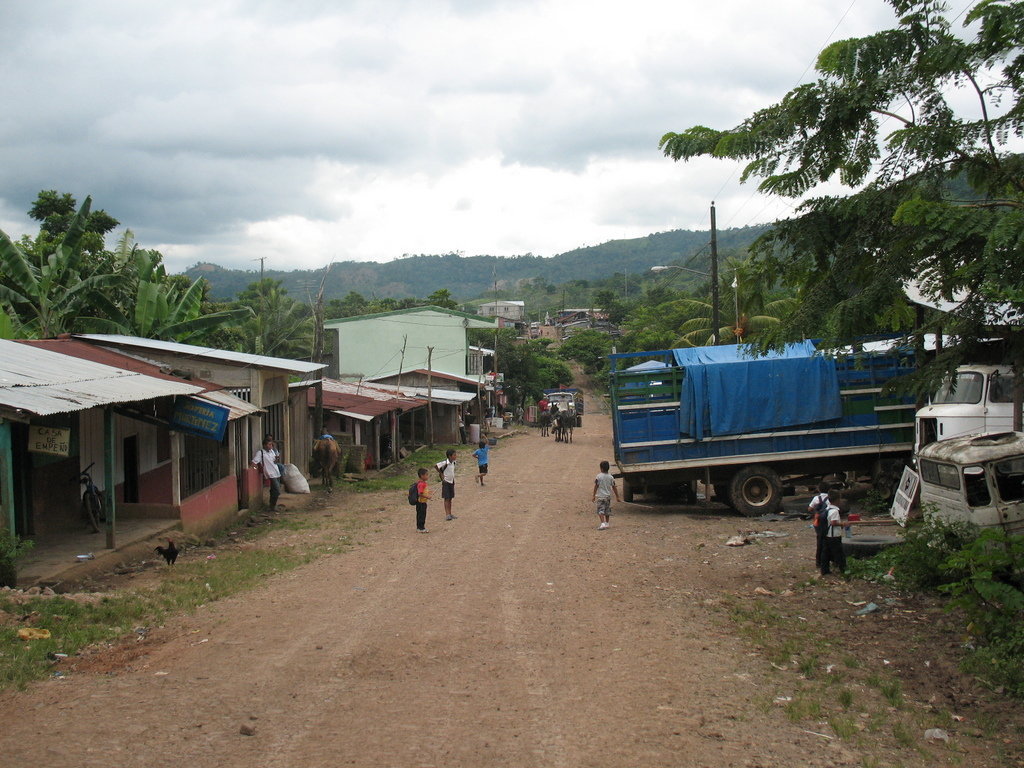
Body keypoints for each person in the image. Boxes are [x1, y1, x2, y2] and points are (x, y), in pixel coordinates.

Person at [820, 490, 848, 576]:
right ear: (837, 500)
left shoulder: (827, 508)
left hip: (827, 535)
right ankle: (843, 569)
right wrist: (842, 524)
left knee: (826, 553)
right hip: (834, 535)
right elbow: (833, 522)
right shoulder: (835, 511)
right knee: (839, 553)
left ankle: (825, 570)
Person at [252, 438, 282, 510]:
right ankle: (273, 504)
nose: (271, 446)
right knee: (277, 490)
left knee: (273, 490)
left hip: (276, 472)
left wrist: (277, 458)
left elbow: (275, 461)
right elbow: (254, 462)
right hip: (270, 473)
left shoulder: (272, 451)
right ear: (264, 445)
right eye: (269, 444)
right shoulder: (260, 453)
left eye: (271, 444)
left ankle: (272, 505)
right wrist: (255, 468)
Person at [592, 460, 620, 530]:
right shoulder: (611, 477)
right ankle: (607, 523)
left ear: (601, 468)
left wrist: (593, 495)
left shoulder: (599, 476)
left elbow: (596, 486)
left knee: (600, 510)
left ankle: (602, 523)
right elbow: (614, 487)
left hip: (601, 497)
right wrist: (617, 497)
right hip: (608, 497)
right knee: (607, 510)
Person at [809, 482, 830, 570]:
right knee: (827, 540)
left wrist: (816, 511)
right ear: (829, 489)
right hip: (827, 521)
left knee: (819, 541)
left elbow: (809, 508)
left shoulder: (816, 498)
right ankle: (827, 560)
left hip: (818, 521)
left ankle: (818, 561)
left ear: (819, 489)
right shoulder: (830, 499)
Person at [435, 449, 458, 520]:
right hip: (446, 482)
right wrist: (441, 473)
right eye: (454, 455)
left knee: (450, 498)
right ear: (449, 456)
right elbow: (436, 466)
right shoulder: (445, 463)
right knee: (446, 498)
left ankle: (450, 513)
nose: (456, 456)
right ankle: (447, 514)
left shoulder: (453, 462)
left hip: (451, 481)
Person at [415, 467, 431, 533]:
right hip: (421, 502)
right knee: (422, 515)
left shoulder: (422, 483)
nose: (427, 476)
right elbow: (420, 493)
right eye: (426, 475)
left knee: (420, 515)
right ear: (422, 476)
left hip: (422, 502)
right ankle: (421, 528)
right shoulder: (421, 484)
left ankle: (419, 527)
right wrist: (427, 497)